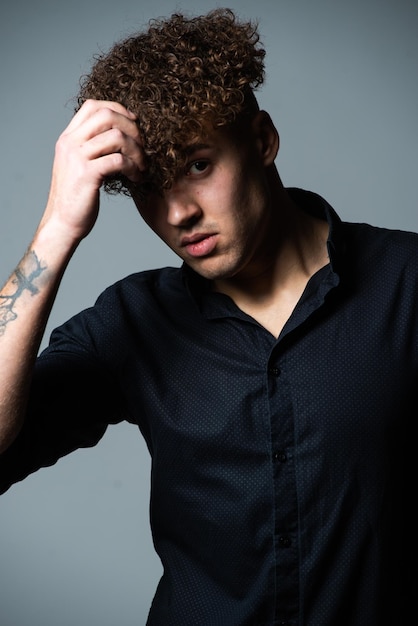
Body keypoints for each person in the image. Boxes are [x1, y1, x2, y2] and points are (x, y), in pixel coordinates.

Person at [0, 7, 416, 625]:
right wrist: (57, 228)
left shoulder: (406, 283)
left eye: (197, 165)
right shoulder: (134, 320)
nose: (176, 214)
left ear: (263, 141)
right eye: (150, 185)